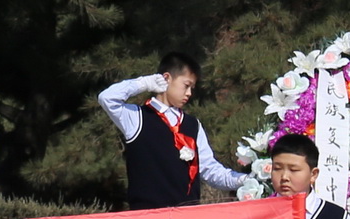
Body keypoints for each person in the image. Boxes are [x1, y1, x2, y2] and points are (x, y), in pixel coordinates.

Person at [98, 53, 245, 208]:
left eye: (192, 88)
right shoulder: (137, 117)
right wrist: (144, 83)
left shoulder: (193, 125)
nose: (189, 93)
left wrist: (242, 180)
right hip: (147, 218)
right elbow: (107, 98)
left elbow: (210, 170)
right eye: (186, 85)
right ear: (167, 78)